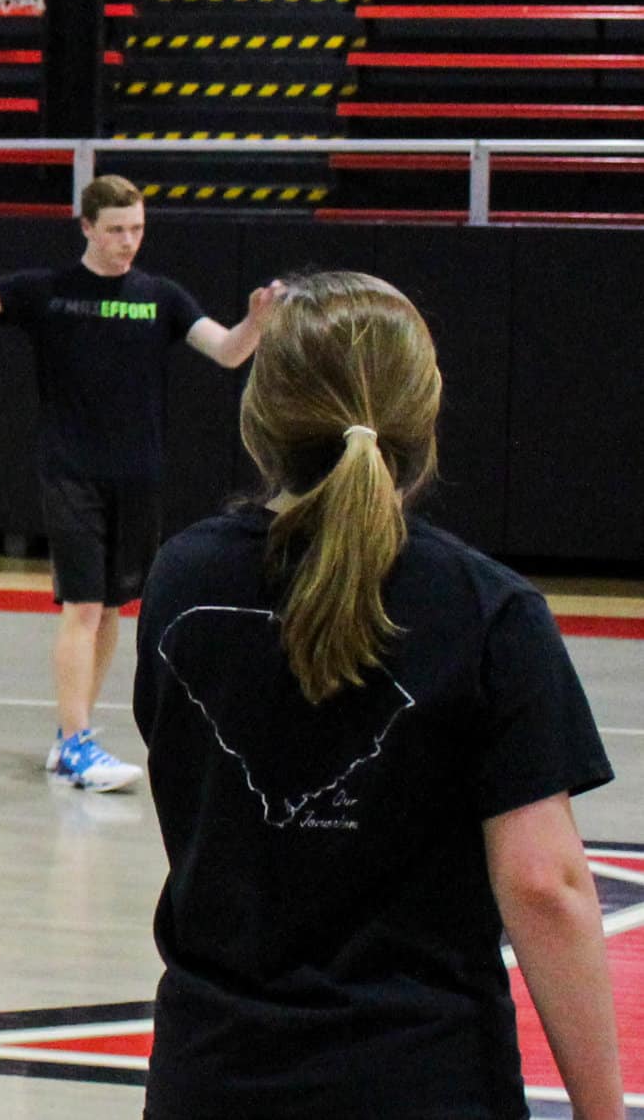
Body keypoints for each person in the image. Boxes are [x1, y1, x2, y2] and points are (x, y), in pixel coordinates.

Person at [135, 271, 620, 1120]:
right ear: (422, 420)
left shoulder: (182, 582)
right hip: (421, 1078)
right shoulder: (488, 611)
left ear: (261, 420)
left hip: (212, 1074)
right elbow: (546, 885)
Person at [0, 174, 277, 792]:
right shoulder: (47, 291)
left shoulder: (160, 296)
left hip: (138, 473)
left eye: (137, 229)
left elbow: (225, 351)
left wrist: (254, 322)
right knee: (83, 603)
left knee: (114, 606)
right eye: (115, 230)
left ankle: (73, 737)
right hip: (72, 471)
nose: (127, 242)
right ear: (86, 227)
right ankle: (76, 744)